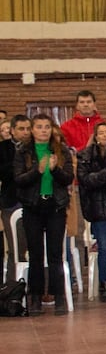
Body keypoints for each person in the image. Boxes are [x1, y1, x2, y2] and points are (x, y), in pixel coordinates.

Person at [13, 114, 74, 315]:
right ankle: (35, 297)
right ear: (32, 130)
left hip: (55, 207)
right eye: (39, 127)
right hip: (33, 208)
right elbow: (19, 180)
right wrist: (37, 171)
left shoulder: (61, 150)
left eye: (47, 127)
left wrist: (54, 170)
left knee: (56, 254)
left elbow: (68, 178)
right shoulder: (23, 151)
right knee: (36, 254)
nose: (43, 131)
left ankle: (59, 297)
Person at [77, 122, 106, 302]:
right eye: (101, 133)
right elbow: (86, 180)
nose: (105, 135)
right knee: (104, 246)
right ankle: (104, 284)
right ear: (95, 136)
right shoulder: (85, 156)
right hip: (98, 207)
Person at [1, 115, 32, 286]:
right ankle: (14, 288)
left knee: (36, 247)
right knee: (16, 249)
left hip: (33, 202)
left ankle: (37, 287)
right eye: (21, 129)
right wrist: (17, 160)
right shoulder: (3, 148)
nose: (25, 132)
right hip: (11, 202)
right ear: (12, 130)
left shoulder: (35, 147)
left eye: (28, 129)